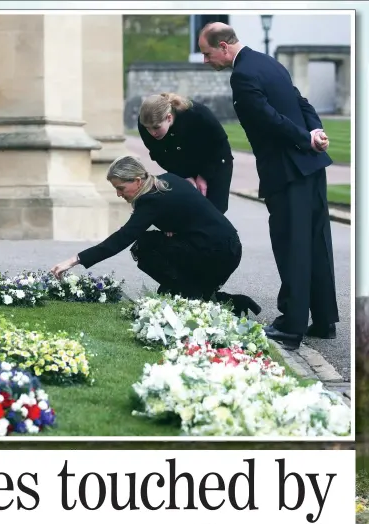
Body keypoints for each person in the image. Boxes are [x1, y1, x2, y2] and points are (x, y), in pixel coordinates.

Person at [198, 22, 338, 351]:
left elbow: (267, 119)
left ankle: (291, 327)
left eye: (207, 54)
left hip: (287, 171)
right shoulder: (269, 62)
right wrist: (316, 132)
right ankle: (323, 319)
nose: (206, 61)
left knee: (292, 246)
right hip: (312, 168)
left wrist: (307, 137)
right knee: (316, 243)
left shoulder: (243, 75)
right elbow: (301, 103)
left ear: (223, 47)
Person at [51, 156, 260, 316]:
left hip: (218, 253)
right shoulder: (166, 180)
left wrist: (74, 260)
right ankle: (216, 298)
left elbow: (121, 239)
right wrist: (172, 225)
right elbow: (189, 212)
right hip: (227, 247)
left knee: (145, 246)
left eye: (120, 188)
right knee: (155, 245)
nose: (118, 194)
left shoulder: (150, 201)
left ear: (137, 180)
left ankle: (193, 294)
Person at [138, 92, 233, 213]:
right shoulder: (145, 124)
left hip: (215, 160)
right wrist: (184, 176)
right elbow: (160, 155)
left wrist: (204, 175)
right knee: (186, 208)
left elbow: (219, 144)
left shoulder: (198, 115)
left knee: (214, 210)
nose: (152, 133)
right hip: (181, 164)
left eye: (156, 127)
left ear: (169, 117)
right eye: (148, 128)